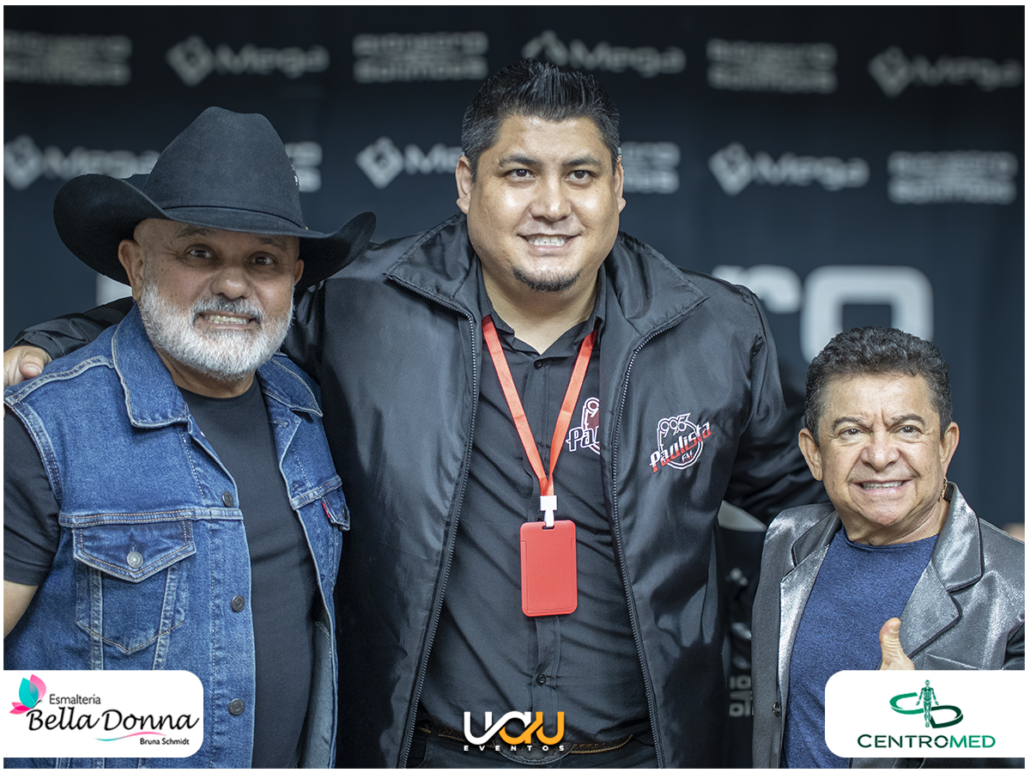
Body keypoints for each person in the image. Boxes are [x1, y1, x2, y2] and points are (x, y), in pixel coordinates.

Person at [6, 61, 824, 768]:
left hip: (642, 757)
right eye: (519, 173)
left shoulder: (718, 329)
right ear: (467, 183)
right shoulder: (363, 304)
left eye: (579, 174)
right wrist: (57, 342)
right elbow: (220, 317)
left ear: (618, 185)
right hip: (429, 754)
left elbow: (820, 499)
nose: (552, 204)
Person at [3, 107, 374, 768]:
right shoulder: (42, 428)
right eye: (199, 252)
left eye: (262, 260)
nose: (232, 284)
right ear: (135, 263)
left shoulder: (311, 409)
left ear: (293, 280)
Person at [750, 326, 1025, 769]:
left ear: (945, 446)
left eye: (907, 429)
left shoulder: (1017, 585)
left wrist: (910, 721)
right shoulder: (788, 539)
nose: (879, 456)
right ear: (814, 453)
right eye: (851, 431)